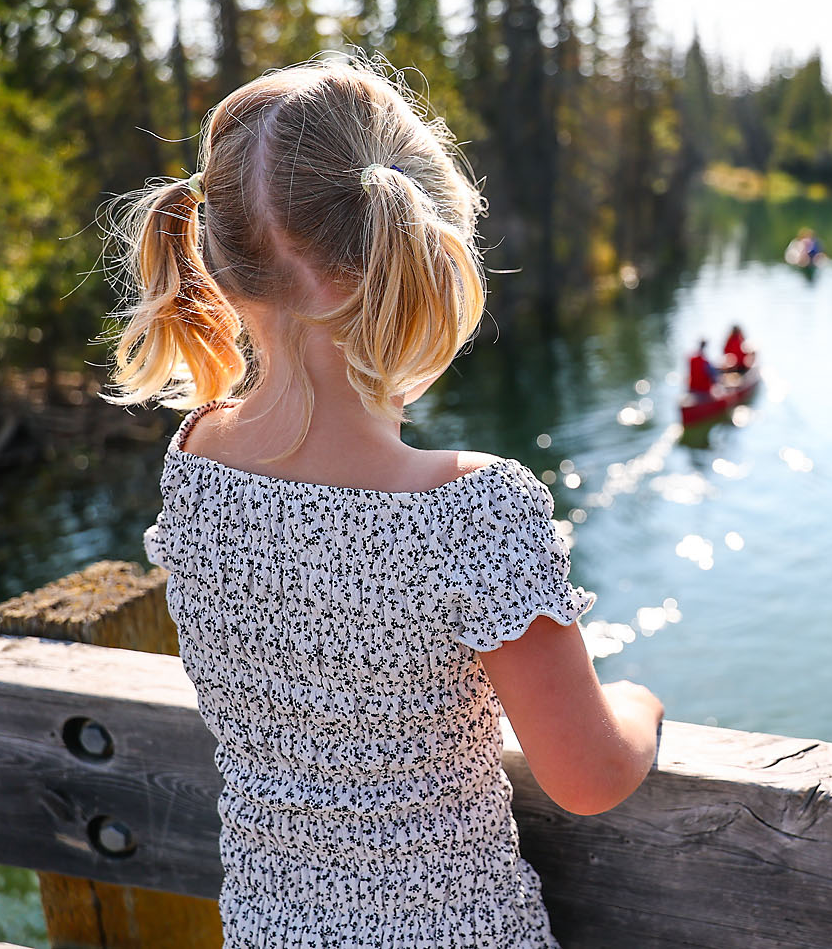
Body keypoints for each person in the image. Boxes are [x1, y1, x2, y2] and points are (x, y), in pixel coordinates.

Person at [112, 59, 663, 948]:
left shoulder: (195, 459)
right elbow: (588, 776)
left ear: (220, 261)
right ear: (427, 249)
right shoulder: (473, 508)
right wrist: (641, 706)